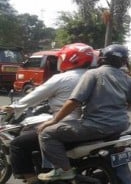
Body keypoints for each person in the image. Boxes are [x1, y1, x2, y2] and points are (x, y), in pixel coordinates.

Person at [37, 44, 131, 181]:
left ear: (102, 59)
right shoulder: (127, 79)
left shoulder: (93, 74)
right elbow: (130, 102)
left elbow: (74, 101)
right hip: (121, 126)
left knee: (47, 133)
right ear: (124, 61)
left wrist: (53, 121)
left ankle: (63, 170)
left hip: (96, 126)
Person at [1, 43, 94, 184]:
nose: (60, 61)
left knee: (18, 144)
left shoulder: (63, 77)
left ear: (72, 58)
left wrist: (13, 107)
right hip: (90, 125)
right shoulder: (94, 76)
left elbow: (37, 94)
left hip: (67, 124)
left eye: (62, 57)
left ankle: (33, 180)